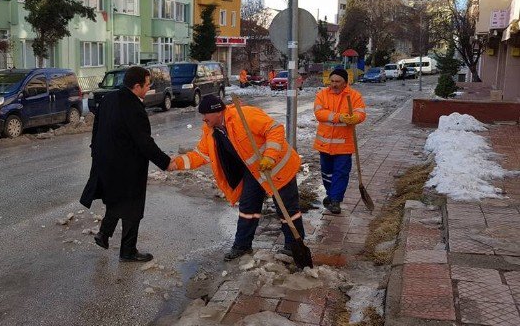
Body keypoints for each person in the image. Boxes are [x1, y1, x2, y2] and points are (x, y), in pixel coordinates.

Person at [170, 95, 305, 261]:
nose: (203, 118)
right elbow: (201, 154)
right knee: (248, 207)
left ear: (218, 112)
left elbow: (274, 129)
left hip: (278, 167)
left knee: (287, 209)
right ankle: (242, 245)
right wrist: (176, 164)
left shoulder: (245, 115)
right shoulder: (211, 131)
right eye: (202, 115)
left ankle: (293, 247)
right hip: (253, 171)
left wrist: (270, 156)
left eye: (206, 114)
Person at [80, 66, 174, 262]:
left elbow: (96, 129)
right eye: (148, 85)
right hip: (128, 166)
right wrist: (165, 162)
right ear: (137, 86)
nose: (149, 88)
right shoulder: (134, 107)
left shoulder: (109, 99)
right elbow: (144, 142)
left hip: (108, 163)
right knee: (132, 209)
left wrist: (96, 153)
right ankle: (128, 251)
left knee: (116, 200)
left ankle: (104, 234)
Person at [313, 69, 366, 215]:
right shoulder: (322, 94)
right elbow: (319, 113)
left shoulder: (354, 96)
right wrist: (339, 117)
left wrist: (355, 118)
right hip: (324, 144)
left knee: (341, 173)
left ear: (345, 83)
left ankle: (336, 200)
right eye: (332, 81)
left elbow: (361, 113)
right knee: (327, 173)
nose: (334, 84)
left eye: (338, 82)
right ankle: (330, 195)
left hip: (344, 144)